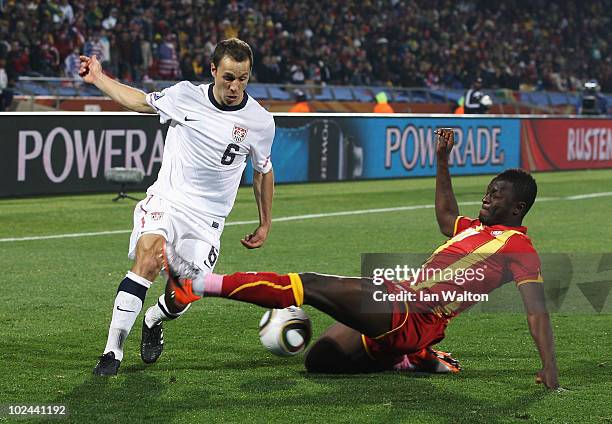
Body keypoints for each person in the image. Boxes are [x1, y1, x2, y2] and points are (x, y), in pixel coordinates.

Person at [163, 128, 560, 390]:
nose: (488, 196)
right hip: (402, 311)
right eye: (489, 190)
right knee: (320, 361)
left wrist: (550, 366)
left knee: (311, 284)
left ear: (518, 207)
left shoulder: (519, 248)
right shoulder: (474, 228)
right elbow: (444, 217)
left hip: (411, 311)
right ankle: (409, 358)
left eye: (497, 193)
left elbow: (536, 311)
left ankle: (196, 283)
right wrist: (442, 158)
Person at [80, 38, 276, 376]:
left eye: (242, 78)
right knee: (149, 257)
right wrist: (98, 77)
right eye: (228, 77)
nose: (234, 86)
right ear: (213, 70)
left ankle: (154, 319)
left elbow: (263, 171)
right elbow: (140, 101)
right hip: (168, 200)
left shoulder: (260, 122)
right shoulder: (185, 95)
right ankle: (112, 351)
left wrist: (265, 223)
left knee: (186, 292)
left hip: (208, 220)